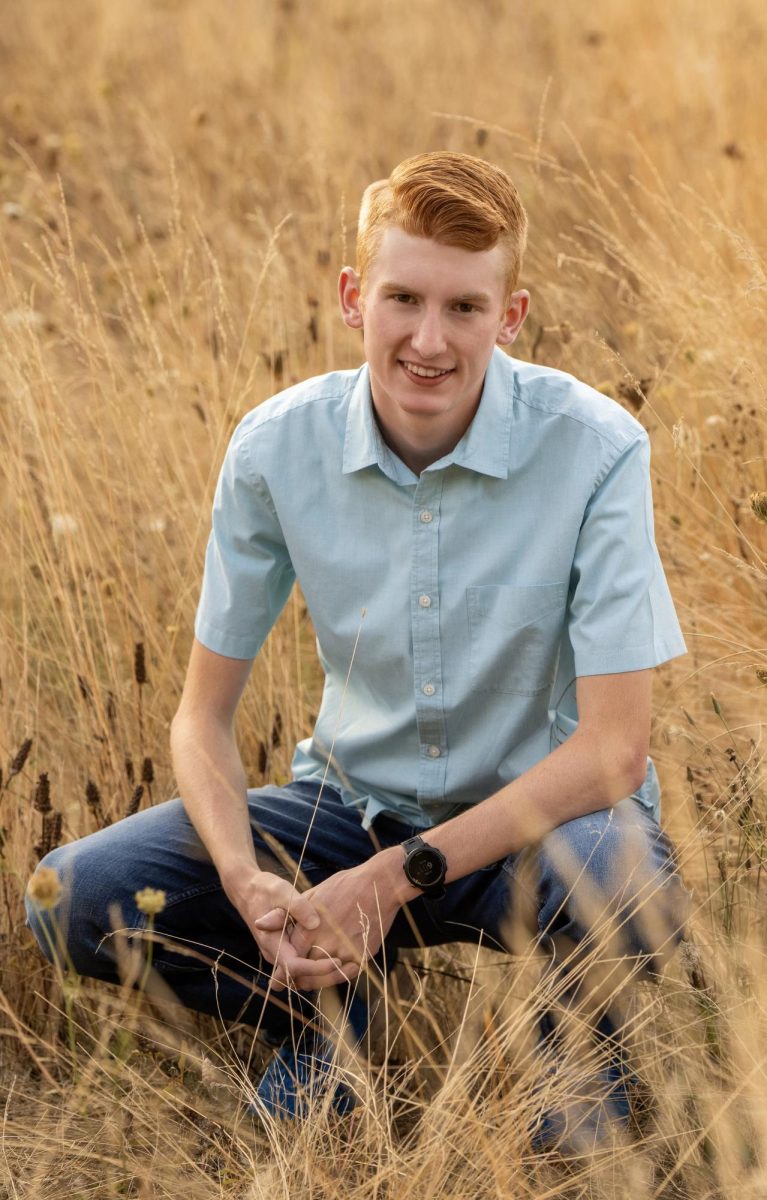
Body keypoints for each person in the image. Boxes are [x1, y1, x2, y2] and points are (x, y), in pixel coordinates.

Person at [26, 150, 690, 1153]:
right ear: (351, 298)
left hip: (539, 830)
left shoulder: (596, 449)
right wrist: (249, 880)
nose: (429, 340)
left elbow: (611, 755)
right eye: (402, 299)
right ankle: (327, 1024)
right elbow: (200, 718)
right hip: (347, 810)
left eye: (464, 308)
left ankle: (570, 1059)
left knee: (622, 870)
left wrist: (390, 883)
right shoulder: (272, 449)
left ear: (510, 317)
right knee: (71, 897)